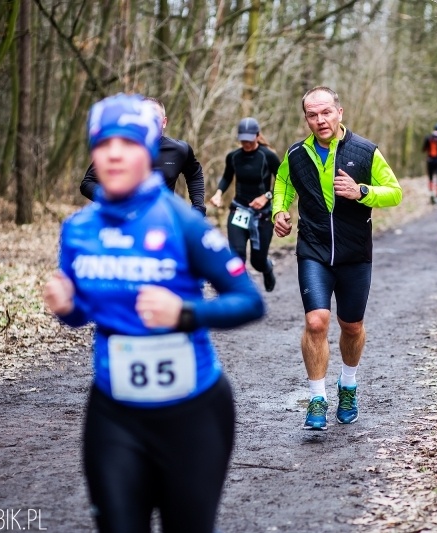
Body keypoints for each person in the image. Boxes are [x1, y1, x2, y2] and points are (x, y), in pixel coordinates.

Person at [43, 93, 265, 533]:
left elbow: (249, 301)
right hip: (114, 413)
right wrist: (67, 307)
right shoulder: (79, 230)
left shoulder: (182, 222)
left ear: (147, 150)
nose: (114, 154)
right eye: (103, 144)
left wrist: (185, 313)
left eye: (127, 143)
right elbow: (82, 313)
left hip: (194, 412)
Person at [272, 86, 402, 431]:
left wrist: (362, 192)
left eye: (326, 112)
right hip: (313, 250)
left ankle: (348, 385)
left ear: (339, 112)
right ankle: (317, 397)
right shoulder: (296, 153)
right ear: (306, 118)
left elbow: (395, 193)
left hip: (354, 253)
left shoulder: (365, 151)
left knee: (352, 326)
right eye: (312, 115)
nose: (320, 120)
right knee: (316, 322)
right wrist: (279, 211)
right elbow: (283, 183)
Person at [80, 96, 207, 215]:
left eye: (154, 117)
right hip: (121, 220)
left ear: (164, 122)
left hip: (163, 220)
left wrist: (198, 206)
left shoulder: (179, 150)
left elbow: (194, 174)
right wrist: (113, 201)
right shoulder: (119, 150)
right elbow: (88, 183)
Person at [209, 117, 281, 292]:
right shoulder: (233, 157)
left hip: (263, 215)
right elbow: (227, 177)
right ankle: (241, 291)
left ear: (257, 135)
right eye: (243, 140)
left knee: (258, 262)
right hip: (238, 211)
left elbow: (283, 181)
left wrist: (266, 197)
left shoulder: (268, 156)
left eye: (249, 139)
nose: (246, 143)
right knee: (237, 254)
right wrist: (218, 193)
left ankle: (267, 268)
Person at [421, 123, 437, 204]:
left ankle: (431, 194)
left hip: (430, 160)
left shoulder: (428, 137)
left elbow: (423, 149)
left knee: (430, 178)